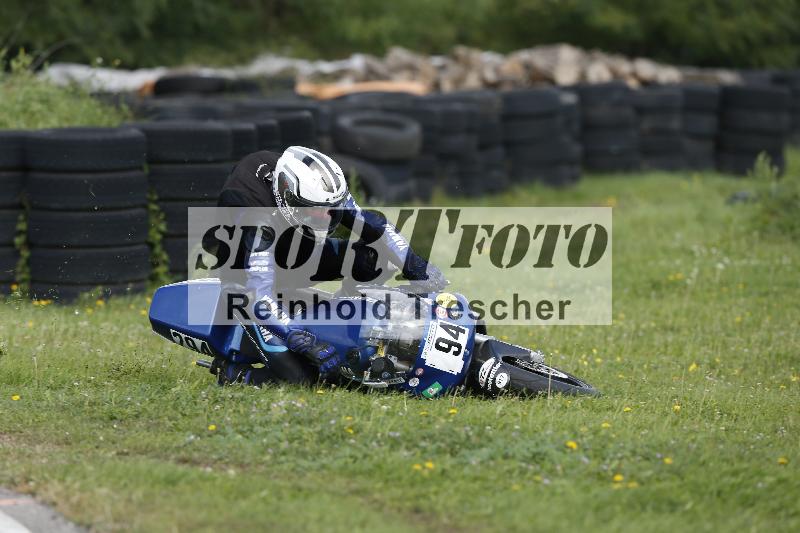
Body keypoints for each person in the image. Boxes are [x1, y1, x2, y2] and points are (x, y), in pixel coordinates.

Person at [214, 145, 446, 385]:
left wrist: (416, 265)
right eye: (317, 211)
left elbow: (375, 226)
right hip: (247, 283)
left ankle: (345, 318)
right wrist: (301, 339)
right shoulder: (256, 215)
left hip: (294, 258)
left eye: (331, 209)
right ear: (288, 199)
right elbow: (259, 296)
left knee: (373, 257)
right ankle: (234, 374)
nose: (326, 216)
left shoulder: (317, 188)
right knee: (303, 377)